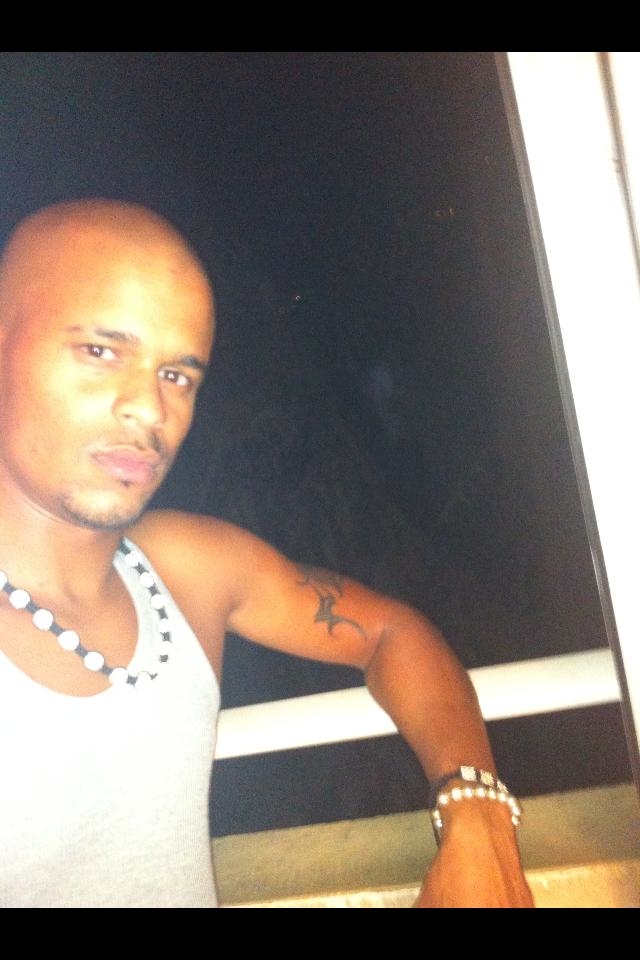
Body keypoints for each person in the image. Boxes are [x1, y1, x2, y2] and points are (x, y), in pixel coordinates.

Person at [0, 197, 534, 908]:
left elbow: (390, 633)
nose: (151, 409)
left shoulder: (185, 571)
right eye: (101, 352)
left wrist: (477, 818)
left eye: (177, 375)